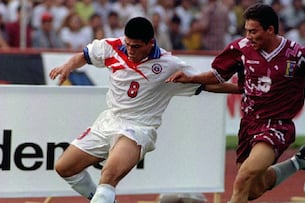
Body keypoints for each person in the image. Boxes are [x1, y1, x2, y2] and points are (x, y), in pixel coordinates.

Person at [49, 16, 241, 203]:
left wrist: (244, 89)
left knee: (108, 175)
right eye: (128, 44)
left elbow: (206, 84)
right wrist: (67, 66)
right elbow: (84, 56)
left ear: (151, 43)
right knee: (64, 167)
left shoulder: (169, 65)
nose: (130, 50)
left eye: (136, 46)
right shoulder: (112, 47)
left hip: (138, 129)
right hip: (108, 121)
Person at [166, 3, 305, 203]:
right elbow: (218, 77)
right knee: (253, 188)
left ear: (270, 30)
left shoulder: (298, 54)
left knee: (244, 177)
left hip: (277, 125)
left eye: (253, 31)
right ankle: (299, 162)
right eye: (246, 30)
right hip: (248, 126)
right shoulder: (240, 49)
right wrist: (190, 80)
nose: (248, 36)